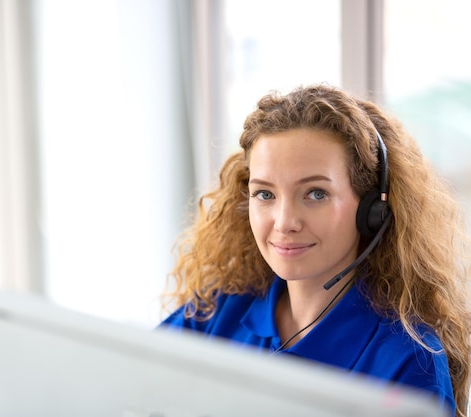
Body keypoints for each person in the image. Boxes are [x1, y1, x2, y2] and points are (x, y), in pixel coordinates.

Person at [160, 84, 471, 417]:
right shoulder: (216, 314)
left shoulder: (408, 359)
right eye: (265, 195)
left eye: (316, 194)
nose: (284, 222)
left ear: (371, 210)